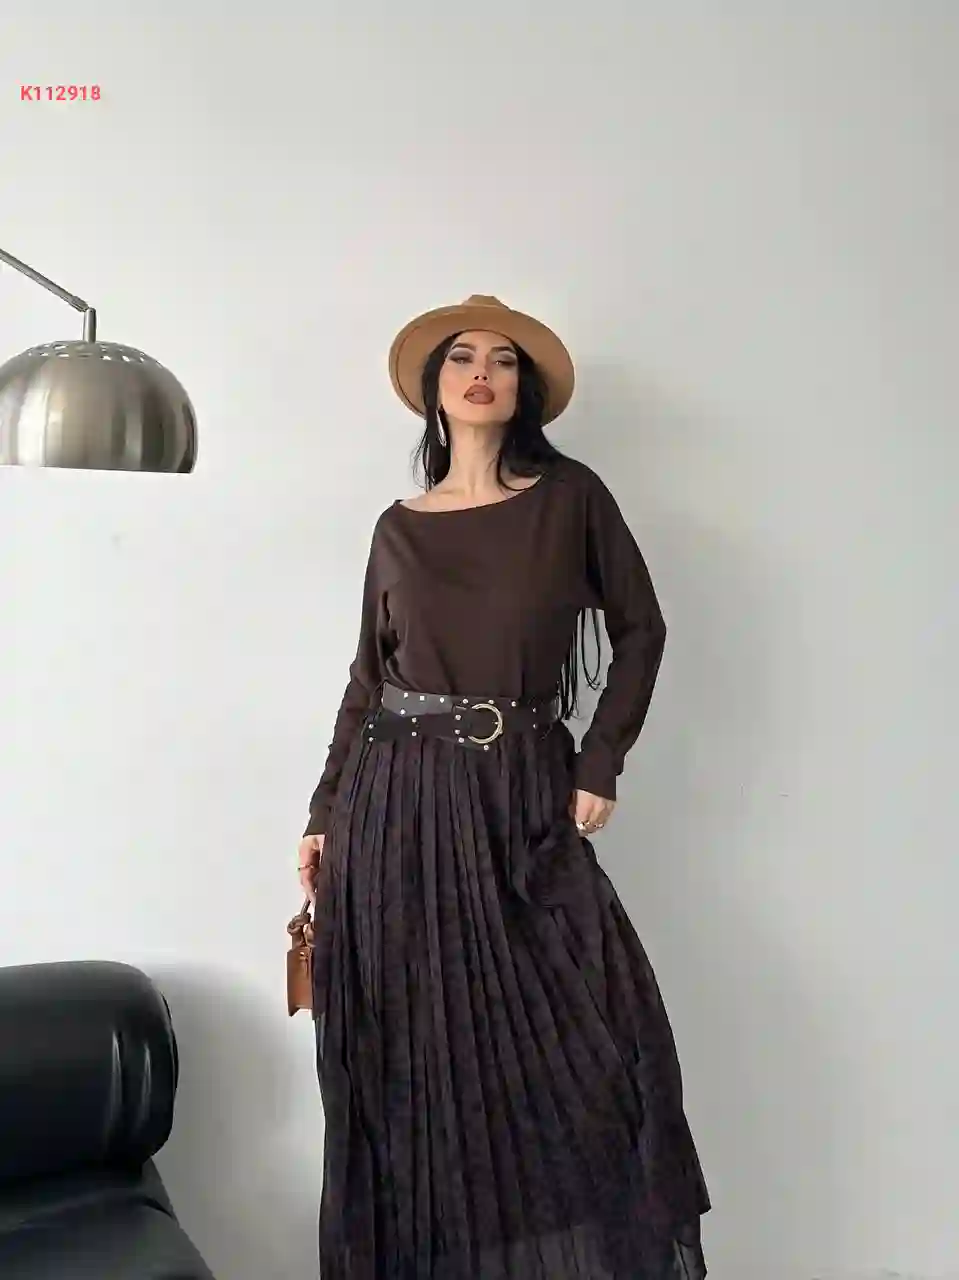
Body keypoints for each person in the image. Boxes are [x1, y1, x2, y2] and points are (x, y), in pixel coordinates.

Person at [297, 294, 711, 1278]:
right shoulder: (397, 527)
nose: (481, 372)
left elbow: (642, 628)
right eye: (461, 358)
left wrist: (600, 759)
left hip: (517, 794)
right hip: (391, 804)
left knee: (596, 1048)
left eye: (503, 360)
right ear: (434, 389)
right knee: (412, 1066)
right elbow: (367, 680)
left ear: (523, 391)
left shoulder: (570, 499)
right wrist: (322, 815)